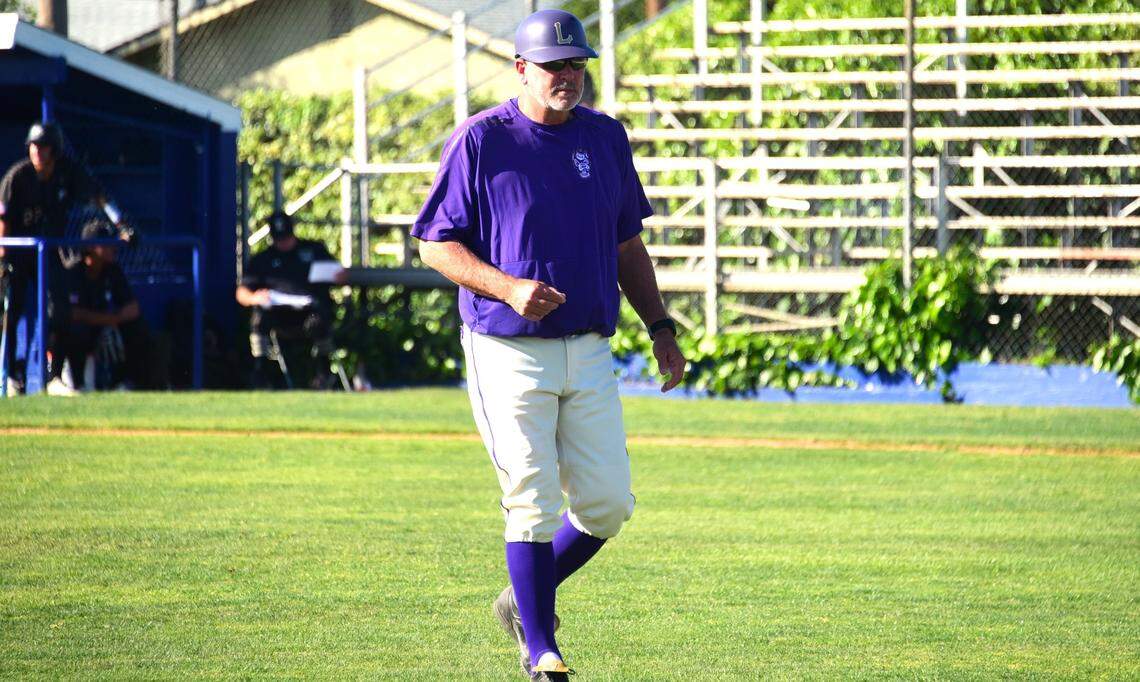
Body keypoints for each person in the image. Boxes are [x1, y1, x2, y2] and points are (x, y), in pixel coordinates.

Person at [412, 9, 687, 681]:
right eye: (553, 65)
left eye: (577, 64)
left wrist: (661, 329)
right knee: (531, 498)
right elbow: (434, 243)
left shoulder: (604, 137)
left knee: (607, 504)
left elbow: (628, 244)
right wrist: (505, 288)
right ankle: (542, 652)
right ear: (521, 70)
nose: (567, 75)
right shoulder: (481, 140)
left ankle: (524, 599)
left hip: (589, 345)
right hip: (506, 346)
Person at [0, 121, 130, 395]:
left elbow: (98, 196)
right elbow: (3, 220)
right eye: (34, 147)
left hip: (50, 252)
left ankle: (54, 376)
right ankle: (12, 377)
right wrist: (3, 254)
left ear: (55, 151)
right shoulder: (18, 177)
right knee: (13, 314)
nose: (38, 152)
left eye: (44, 147)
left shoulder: (66, 172)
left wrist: (121, 224)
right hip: (19, 254)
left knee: (60, 311)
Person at [236, 210, 345, 389]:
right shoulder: (263, 259)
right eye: (279, 239)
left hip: (309, 312)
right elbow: (242, 292)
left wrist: (338, 276)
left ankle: (323, 370)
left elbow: (340, 273)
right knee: (259, 318)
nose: (284, 243)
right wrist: (254, 297)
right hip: (278, 314)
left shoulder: (313, 250)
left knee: (319, 320)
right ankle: (260, 370)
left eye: (286, 237)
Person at [63, 219, 157, 390]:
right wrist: (108, 320)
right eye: (105, 244)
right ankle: (77, 383)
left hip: (103, 326)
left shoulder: (112, 269)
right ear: (90, 247)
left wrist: (112, 322)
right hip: (81, 331)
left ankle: (128, 383)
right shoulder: (73, 271)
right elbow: (73, 314)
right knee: (76, 330)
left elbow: (133, 309)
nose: (112, 247)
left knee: (137, 328)